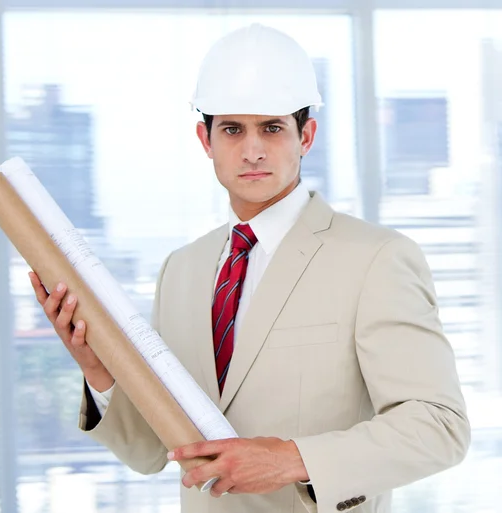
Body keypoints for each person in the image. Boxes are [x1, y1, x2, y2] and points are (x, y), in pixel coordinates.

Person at [28, 23, 470, 513]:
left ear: (307, 135)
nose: (253, 149)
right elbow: (152, 452)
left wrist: (290, 459)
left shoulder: (375, 259)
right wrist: (98, 368)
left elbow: (439, 426)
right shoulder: (182, 270)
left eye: (272, 128)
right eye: (233, 129)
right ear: (206, 139)